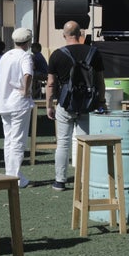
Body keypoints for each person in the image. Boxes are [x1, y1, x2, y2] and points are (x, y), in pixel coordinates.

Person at [45, 21, 105, 191]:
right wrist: (101, 101)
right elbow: (100, 80)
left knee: (63, 142)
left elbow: (51, 83)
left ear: (64, 35)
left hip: (66, 103)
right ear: (80, 34)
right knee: (85, 141)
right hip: (88, 102)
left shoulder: (57, 55)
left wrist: (49, 105)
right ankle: (85, 179)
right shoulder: (94, 53)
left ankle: (60, 181)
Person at [0, 28, 35, 188]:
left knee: (9, 139)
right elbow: (28, 74)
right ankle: (15, 176)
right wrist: (26, 91)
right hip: (18, 102)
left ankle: (11, 174)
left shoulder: (5, 56)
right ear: (28, 41)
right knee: (18, 140)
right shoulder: (25, 56)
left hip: (4, 101)